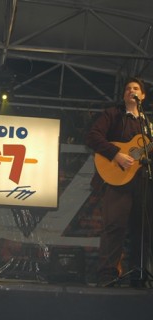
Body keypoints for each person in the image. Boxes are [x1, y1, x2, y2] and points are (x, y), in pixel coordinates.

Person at [86, 77, 153, 287]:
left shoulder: (148, 125)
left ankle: (138, 276)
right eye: (127, 89)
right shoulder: (113, 115)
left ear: (142, 96)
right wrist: (116, 154)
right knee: (114, 226)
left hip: (142, 182)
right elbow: (93, 136)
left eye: (135, 88)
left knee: (142, 230)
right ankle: (107, 276)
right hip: (117, 180)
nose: (131, 91)